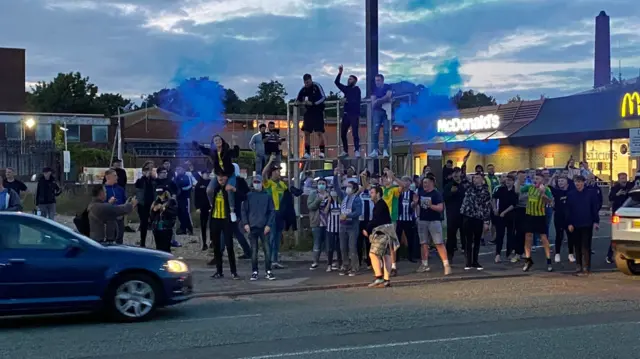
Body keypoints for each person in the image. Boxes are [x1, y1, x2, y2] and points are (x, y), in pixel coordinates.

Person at [242, 175, 276, 281]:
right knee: (254, 251)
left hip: (264, 227)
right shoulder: (248, 196)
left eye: (258, 182)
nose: (256, 183)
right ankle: (254, 271)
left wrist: (268, 225)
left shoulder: (267, 196)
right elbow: (244, 211)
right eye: (255, 182)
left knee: (267, 250)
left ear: (262, 183)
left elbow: (272, 211)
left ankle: (268, 271)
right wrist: (245, 223)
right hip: (252, 227)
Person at [416, 174, 451, 275]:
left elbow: (440, 208)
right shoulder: (421, 192)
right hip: (422, 220)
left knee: (438, 243)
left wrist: (430, 205)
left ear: (432, 183)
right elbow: (417, 205)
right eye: (423, 183)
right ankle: (424, 264)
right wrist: (415, 204)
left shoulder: (436, 194)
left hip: (434, 221)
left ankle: (446, 265)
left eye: (426, 183)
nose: (424, 185)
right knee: (423, 243)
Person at [566, 175, 600, 275]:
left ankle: (587, 265)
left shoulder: (591, 193)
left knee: (586, 245)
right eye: (576, 182)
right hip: (575, 223)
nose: (578, 184)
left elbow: (594, 208)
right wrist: (569, 223)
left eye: (580, 182)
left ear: (584, 182)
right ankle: (578, 264)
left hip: (587, 223)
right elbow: (568, 210)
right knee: (577, 245)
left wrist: (596, 222)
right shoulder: (571, 194)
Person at [520, 172, 553, 272]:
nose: (535, 180)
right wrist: (519, 179)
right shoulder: (529, 187)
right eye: (535, 178)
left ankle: (548, 261)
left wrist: (542, 194)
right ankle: (528, 259)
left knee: (543, 238)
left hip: (540, 216)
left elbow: (550, 202)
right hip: (529, 215)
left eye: (538, 179)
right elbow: (519, 190)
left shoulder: (546, 189)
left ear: (542, 180)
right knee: (528, 237)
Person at [208, 174, 239, 279]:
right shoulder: (215, 189)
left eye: (223, 177)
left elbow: (242, 196)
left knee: (229, 246)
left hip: (226, 220)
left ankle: (233, 272)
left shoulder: (229, 190)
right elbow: (208, 193)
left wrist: (234, 189)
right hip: (215, 219)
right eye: (218, 177)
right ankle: (219, 271)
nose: (221, 179)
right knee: (216, 247)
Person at [363, 186, 394, 288]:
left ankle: (379, 277)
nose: (370, 195)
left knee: (373, 254)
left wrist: (367, 229)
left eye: (372, 193)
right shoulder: (381, 204)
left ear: (378, 194)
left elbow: (376, 220)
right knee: (386, 255)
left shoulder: (380, 205)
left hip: (382, 232)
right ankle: (386, 279)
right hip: (388, 232)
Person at [333, 168, 363, 276]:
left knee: (352, 247)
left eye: (349, 187)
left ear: (354, 189)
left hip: (352, 226)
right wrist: (335, 176)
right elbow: (336, 188)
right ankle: (345, 265)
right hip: (342, 225)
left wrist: (348, 215)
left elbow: (358, 212)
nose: (347, 189)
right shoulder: (344, 197)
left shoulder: (357, 199)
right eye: (347, 187)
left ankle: (355, 267)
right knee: (343, 247)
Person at [262, 154, 290, 269]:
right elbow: (263, 174)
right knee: (271, 237)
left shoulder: (282, 184)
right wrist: (269, 162)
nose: (279, 173)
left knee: (278, 238)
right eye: (277, 171)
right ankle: (270, 259)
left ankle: (275, 260)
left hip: (280, 214)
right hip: (271, 213)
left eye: (280, 171)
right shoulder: (268, 183)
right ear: (273, 172)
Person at [460, 173, 492, 270]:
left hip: (478, 217)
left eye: (477, 177)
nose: (475, 179)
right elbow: (462, 177)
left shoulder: (485, 191)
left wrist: (487, 221)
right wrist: (464, 163)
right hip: (468, 216)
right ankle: (468, 262)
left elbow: (487, 207)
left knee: (477, 240)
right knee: (468, 240)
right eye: (474, 178)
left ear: (482, 179)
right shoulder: (469, 188)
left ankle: (475, 261)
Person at [296, 74, 327, 159]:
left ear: (311, 80)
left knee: (319, 132)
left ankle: (322, 151)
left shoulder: (316, 86)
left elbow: (324, 97)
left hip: (318, 111)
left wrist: (313, 103)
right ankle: (307, 152)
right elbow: (298, 99)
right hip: (308, 112)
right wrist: (299, 102)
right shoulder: (303, 89)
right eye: (305, 82)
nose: (307, 84)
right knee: (306, 132)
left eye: (308, 82)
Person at [334, 65, 362, 158]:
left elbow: (356, 100)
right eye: (348, 79)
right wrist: (340, 73)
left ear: (354, 81)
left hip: (354, 114)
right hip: (346, 114)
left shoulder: (357, 89)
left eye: (350, 79)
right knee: (343, 133)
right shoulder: (346, 89)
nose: (348, 80)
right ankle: (345, 150)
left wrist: (346, 100)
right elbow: (336, 82)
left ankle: (357, 150)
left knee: (355, 133)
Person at [607, 172, 634, 263]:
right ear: (618, 179)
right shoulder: (615, 188)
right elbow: (610, 198)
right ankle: (609, 255)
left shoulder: (630, 186)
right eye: (622, 178)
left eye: (625, 178)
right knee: (616, 236)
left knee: (630, 236)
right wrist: (617, 194)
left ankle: (629, 255)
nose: (624, 180)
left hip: (630, 214)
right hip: (618, 215)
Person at [492, 174, 518, 263]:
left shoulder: (515, 192)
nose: (508, 182)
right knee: (500, 235)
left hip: (510, 215)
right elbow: (494, 198)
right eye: (507, 180)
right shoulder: (501, 189)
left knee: (510, 235)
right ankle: (497, 254)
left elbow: (513, 205)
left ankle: (509, 253)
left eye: (510, 180)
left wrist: (504, 212)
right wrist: (495, 208)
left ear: (513, 182)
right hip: (500, 215)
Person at [443, 168, 467, 260]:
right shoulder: (448, 186)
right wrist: (451, 193)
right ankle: (450, 254)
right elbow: (444, 198)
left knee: (464, 234)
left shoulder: (464, 185)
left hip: (464, 214)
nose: (456, 175)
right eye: (454, 173)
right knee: (451, 235)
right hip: (452, 214)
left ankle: (466, 252)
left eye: (458, 173)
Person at [549, 174, 573, 263]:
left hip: (569, 217)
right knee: (559, 235)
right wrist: (553, 177)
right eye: (559, 181)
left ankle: (571, 254)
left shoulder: (571, 191)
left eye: (562, 181)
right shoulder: (557, 192)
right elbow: (548, 186)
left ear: (566, 182)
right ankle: (557, 254)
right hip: (559, 216)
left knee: (570, 235)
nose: (560, 183)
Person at [368, 74, 393, 158]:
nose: (377, 82)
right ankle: (375, 150)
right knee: (375, 131)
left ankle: (385, 150)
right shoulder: (374, 89)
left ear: (382, 80)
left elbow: (388, 96)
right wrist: (383, 99)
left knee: (386, 131)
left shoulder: (388, 86)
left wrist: (378, 100)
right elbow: (373, 103)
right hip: (377, 112)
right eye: (376, 80)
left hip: (386, 112)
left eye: (378, 80)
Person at [308, 177, 330, 270]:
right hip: (316, 221)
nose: (321, 185)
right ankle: (315, 261)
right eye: (320, 183)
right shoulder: (313, 194)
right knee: (317, 242)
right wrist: (318, 199)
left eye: (323, 183)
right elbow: (310, 206)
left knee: (328, 243)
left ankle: (329, 262)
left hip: (328, 222)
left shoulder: (329, 194)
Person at [396, 176, 419, 263]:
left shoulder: (412, 193)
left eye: (407, 181)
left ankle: (411, 256)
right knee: (397, 238)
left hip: (409, 218)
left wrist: (414, 203)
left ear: (410, 183)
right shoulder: (398, 192)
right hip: (399, 218)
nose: (405, 183)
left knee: (410, 238)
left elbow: (413, 206)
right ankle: (396, 256)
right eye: (404, 181)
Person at [149, 185, 178, 253]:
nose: (160, 196)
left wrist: (164, 209)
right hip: (157, 228)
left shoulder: (171, 201)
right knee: (158, 248)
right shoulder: (155, 202)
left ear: (165, 193)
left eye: (161, 194)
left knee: (166, 248)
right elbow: (151, 217)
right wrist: (153, 210)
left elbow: (174, 213)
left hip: (166, 228)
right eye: (158, 194)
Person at [103, 169, 127, 244]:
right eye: (115, 176)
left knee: (119, 239)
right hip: (108, 220)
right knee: (109, 240)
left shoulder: (120, 189)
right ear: (108, 177)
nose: (117, 177)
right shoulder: (102, 190)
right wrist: (109, 203)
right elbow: (98, 205)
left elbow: (125, 201)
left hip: (120, 218)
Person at [134, 164, 156, 247]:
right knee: (144, 223)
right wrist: (145, 177)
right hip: (143, 205)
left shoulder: (153, 180)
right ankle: (142, 241)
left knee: (154, 222)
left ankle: (155, 241)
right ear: (143, 172)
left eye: (149, 170)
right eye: (146, 171)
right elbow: (137, 188)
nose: (148, 172)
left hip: (152, 204)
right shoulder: (140, 181)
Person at [511, 170, 528, 262]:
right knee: (518, 232)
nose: (523, 178)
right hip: (518, 210)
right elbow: (518, 195)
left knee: (526, 232)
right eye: (521, 176)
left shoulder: (528, 185)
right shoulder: (515, 185)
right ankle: (517, 252)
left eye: (524, 177)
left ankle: (523, 252)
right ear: (517, 177)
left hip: (527, 210)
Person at [194, 169, 212, 251]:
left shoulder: (212, 182)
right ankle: (204, 243)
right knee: (203, 225)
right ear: (202, 174)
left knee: (212, 225)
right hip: (202, 207)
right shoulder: (199, 184)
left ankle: (212, 241)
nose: (207, 175)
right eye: (206, 173)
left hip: (211, 206)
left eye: (208, 173)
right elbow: (196, 197)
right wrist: (197, 207)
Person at [174, 166, 194, 235]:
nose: (178, 170)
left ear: (183, 169)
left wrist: (182, 189)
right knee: (179, 213)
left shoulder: (187, 176)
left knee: (186, 213)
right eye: (177, 169)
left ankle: (190, 228)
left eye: (179, 169)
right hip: (178, 198)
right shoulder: (176, 177)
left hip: (186, 198)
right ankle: (183, 228)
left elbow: (190, 185)